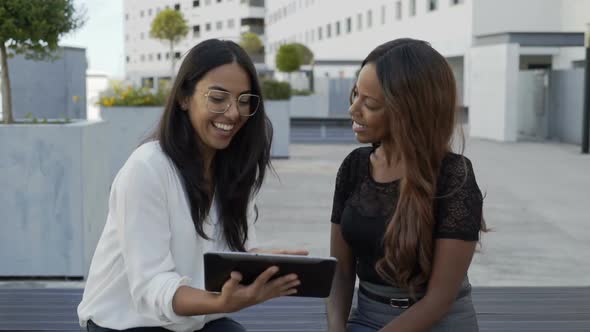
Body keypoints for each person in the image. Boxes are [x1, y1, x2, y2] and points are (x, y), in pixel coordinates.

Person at [78, 39, 306, 332]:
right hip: (125, 323)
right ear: (184, 97)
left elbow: (225, 258)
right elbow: (152, 286)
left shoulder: (233, 171)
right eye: (218, 97)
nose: (234, 113)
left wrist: (260, 266)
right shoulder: (147, 168)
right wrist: (221, 304)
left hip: (193, 319)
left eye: (244, 99)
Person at [326, 38, 486, 332]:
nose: (353, 109)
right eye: (355, 95)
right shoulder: (354, 167)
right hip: (367, 318)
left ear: (409, 111)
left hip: (438, 322)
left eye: (369, 103)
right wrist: (336, 329)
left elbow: (439, 299)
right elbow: (341, 273)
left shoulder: (454, 177)